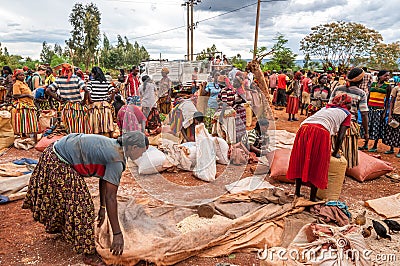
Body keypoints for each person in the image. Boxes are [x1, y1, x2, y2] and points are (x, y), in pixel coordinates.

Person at [22, 131, 149, 265]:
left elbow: (104, 178)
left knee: (70, 198)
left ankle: (63, 229)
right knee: (83, 208)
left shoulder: (115, 147)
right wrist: (117, 234)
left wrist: (102, 207)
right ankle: (88, 254)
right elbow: (111, 197)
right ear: (134, 147)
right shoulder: (116, 158)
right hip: (58, 161)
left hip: (54, 151)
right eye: (142, 151)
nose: (142, 155)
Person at [287, 94, 352, 201]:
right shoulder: (347, 114)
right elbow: (341, 137)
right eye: (350, 103)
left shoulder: (326, 108)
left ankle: (297, 193)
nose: (351, 106)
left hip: (304, 129)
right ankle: (312, 197)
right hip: (320, 132)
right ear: (346, 104)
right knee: (318, 163)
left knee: (301, 159)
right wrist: (335, 152)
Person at [329, 67, 369, 168]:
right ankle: (343, 171)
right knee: (347, 150)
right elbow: (364, 114)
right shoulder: (361, 93)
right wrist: (366, 132)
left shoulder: (338, 89)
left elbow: (329, 105)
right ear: (360, 80)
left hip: (334, 123)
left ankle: (332, 169)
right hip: (349, 125)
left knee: (333, 147)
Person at [46, 63, 92, 134]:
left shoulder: (59, 80)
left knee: (70, 130)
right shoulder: (76, 78)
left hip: (67, 108)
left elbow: (48, 90)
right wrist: (83, 101)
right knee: (81, 129)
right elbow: (86, 90)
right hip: (78, 108)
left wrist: (59, 100)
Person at [359, 70, 391, 152]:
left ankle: (375, 145)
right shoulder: (372, 84)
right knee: (367, 126)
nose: (387, 77)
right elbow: (368, 97)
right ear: (380, 76)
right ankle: (366, 144)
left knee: (377, 127)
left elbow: (387, 101)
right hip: (370, 109)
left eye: (388, 76)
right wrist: (365, 107)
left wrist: (384, 112)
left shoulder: (388, 86)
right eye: (386, 75)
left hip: (379, 110)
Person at [87, 66, 115, 136]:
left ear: (94, 74)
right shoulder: (107, 82)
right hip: (105, 106)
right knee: (106, 126)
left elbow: (87, 92)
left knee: (96, 125)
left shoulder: (91, 83)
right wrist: (110, 101)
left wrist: (90, 100)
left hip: (95, 106)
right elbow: (113, 91)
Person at [11, 69, 38, 141]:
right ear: (16, 76)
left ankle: (31, 138)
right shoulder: (16, 84)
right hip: (23, 105)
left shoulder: (24, 84)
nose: (23, 76)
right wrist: (27, 95)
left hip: (29, 104)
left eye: (23, 75)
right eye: (20, 75)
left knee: (30, 121)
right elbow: (15, 95)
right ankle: (24, 137)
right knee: (24, 122)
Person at [383, 82, 400, 157]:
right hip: (396, 113)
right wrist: (390, 114)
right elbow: (392, 102)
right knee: (393, 130)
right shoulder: (396, 88)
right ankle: (391, 148)